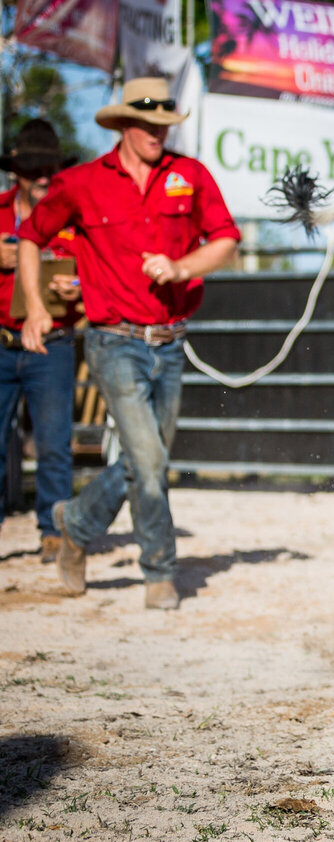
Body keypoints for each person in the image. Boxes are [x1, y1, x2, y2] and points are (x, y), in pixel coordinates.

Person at [19, 78, 239, 610]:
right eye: (147, 124)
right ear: (122, 126)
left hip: (169, 341)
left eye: (165, 124)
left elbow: (228, 242)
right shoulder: (82, 183)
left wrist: (182, 266)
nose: (158, 132)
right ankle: (160, 570)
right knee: (147, 456)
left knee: (150, 460)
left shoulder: (190, 175)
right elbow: (30, 236)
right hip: (113, 340)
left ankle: (74, 523)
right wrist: (36, 305)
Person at [0, 120, 81, 562]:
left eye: (49, 168)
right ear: (16, 172)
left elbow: (95, 266)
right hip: (1, 341)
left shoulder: (70, 216)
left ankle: (54, 529)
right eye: (34, 170)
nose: (43, 178)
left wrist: (80, 284)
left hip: (53, 341)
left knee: (54, 442)